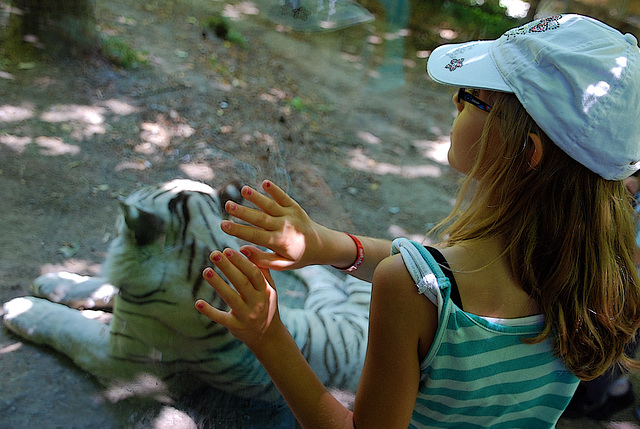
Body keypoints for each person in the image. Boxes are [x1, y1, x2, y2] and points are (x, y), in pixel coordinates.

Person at [195, 14, 640, 428]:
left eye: (473, 98)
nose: (455, 99)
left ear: (526, 152)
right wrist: (328, 245)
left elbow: (426, 284)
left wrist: (268, 333)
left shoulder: (408, 289)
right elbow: (439, 276)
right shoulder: (599, 277)